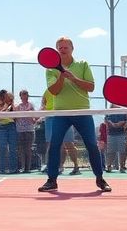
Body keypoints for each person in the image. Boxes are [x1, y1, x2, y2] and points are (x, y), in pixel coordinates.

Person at [37, 37, 110, 193]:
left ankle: (100, 179)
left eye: (65, 47)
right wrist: (62, 77)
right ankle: (52, 180)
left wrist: (74, 78)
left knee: (91, 145)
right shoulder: (50, 69)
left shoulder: (83, 64)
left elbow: (91, 87)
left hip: (82, 112)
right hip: (60, 113)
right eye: (59, 47)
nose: (62, 50)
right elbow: (54, 91)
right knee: (55, 145)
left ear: (72, 48)